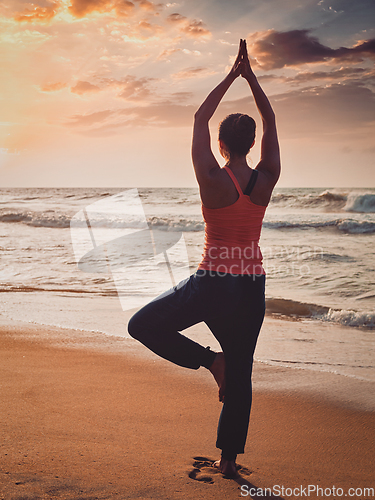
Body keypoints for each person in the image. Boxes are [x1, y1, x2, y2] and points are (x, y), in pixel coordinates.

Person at [128, 39, 280, 477]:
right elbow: (269, 117)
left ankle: (212, 362)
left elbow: (199, 115)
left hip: (211, 282)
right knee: (243, 368)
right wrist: (252, 79)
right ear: (253, 143)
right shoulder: (267, 177)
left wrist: (232, 75)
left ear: (219, 142)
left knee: (142, 325)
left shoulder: (212, 176)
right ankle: (229, 461)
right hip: (251, 287)